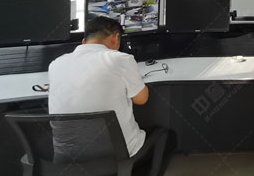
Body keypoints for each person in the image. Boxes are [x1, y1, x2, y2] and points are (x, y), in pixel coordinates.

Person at [48, 16, 173, 172]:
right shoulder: (121, 59)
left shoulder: (56, 64)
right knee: (167, 137)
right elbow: (141, 99)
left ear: (84, 42)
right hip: (115, 153)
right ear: (115, 37)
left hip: (67, 155)